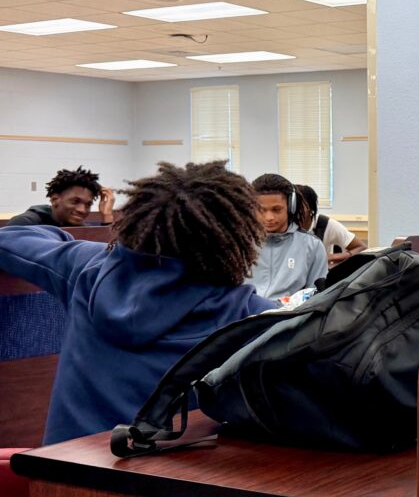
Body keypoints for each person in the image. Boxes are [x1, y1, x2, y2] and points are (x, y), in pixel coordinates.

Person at [0, 161, 276, 444]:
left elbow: (11, 239)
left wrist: (46, 213)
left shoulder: (87, 267)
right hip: (164, 483)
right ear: (231, 241)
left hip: (60, 476)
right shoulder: (251, 316)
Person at [248, 173, 328, 299]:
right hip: (245, 316)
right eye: (261, 210)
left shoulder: (312, 246)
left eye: (276, 209)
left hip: (290, 317)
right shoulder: (239, 244)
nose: (269, 217)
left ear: (291, 207)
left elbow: (317, 297)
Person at [7, 166, 114, 227]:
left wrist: (107, 215)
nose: (82, 210)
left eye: (88, 204)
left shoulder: (81, 229)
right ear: (55, 199)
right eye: (75, 201)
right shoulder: (25, 223)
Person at [294, 184, 367, 268]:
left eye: (299, 204)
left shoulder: (324, 224)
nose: (294, 209)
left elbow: (362, 248)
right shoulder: (284, 225)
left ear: (310, 208)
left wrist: (332, 258)